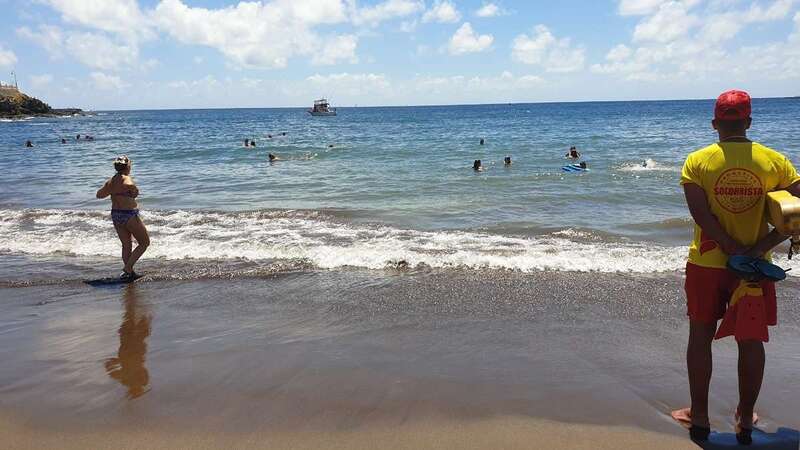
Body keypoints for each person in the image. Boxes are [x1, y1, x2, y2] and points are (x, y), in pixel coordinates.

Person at [672, 90, 800, 445]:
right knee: (750, 340)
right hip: (756, 268)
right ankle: (745, 416)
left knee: (700, 334)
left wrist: (729, 248)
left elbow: (700, 214)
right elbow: (798, 211)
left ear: (715, 123)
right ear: (748, 122)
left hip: (707, 263)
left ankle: (698, 414)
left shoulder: (698, 161)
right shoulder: (774, 161)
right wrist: (759, 247)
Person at [96, 155, 150, 281]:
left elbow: (99, 195)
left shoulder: (110, 181)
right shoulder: (126, 179)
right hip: (129, 215)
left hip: (116, 215)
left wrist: (113, 191)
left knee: (126, 245)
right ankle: (127, 268)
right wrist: (134, 190)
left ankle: (129, 273)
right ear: (128, 166)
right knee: (144, 242)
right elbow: (130, 185)